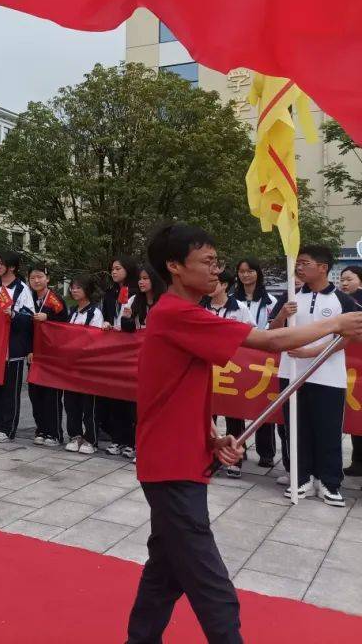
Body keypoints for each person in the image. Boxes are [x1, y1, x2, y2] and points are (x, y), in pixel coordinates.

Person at [125, 223, 362, 644]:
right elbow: (271, 341)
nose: (217, 270)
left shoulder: (181, 314)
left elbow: (176, 394)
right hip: (170, 467)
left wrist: (211, 438)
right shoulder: (178, 313)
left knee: (166, 568)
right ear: (175, 266)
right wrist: (337, 322)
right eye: (207, 262)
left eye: (218, 262)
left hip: (178, 459)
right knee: (209, 581)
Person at [268, 245, 356, 507]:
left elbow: (350, 336)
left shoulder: (342, 300)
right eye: (299, 263)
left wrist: (313, 352)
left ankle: (329, 482)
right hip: (291, 373)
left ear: (323, 268)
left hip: (327, 377)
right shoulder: (291, 296)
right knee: (296, 428)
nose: (299, 267)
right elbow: (271, 331)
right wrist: (283, 314)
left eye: (305, 263)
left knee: (327, 430)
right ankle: (301, 477)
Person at [200, 270, 255, 478]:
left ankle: (235, 459)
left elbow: (252, 335)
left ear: (225, 286)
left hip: (232, 368)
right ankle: (209, 454)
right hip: (207, 368)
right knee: (207, 412)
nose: (210, 286)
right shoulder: (201, 307)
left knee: (233, 414)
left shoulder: (239, 308)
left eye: (214, 283)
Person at [0, 253, 35, 444]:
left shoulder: (21, 289)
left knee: (10, 391)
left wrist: (14, 314)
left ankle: (8, 429)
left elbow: (28, 318)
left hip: (12, 349)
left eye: (2, 263)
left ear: (12, 267)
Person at [232, 258, 278, 468]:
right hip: (238, 358)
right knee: (235, 405)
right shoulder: (232, 299)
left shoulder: (271, 301)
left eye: (250, 271)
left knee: (262, 404)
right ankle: (237, 448)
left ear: (258, 273)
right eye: (242, 271)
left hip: (262, 358)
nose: (245, 275)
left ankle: (266, 452)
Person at [102, 256, 141, 459]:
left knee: (130, 400)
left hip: (132, 349)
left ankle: (131, 441)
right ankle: (117, 439)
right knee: (114, 396)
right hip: (114, 348)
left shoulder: (137, 293)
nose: (114, 272)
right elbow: (107, 315)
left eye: (118, 268)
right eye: (112, 269)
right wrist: (107, 323)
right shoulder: (110, 293)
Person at [27, 264, 69, 445]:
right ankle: (41, 429)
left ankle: (54, 433)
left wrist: (49, 318)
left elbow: (65, 326)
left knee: (51, 395)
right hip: (34, 355)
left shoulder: (55, 300)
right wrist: (28, 350)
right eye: (32, 278)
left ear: (47, 279)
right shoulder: (28, 299)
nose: (36, 281)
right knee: (35, 394)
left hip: (52, 356)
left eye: (40, 277)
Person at [64, 277, 104, 455]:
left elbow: (95, 338)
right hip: (71, 365)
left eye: (78, 287)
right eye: (72, 287)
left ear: (87, 290)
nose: (74, 290)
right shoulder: (72, 312)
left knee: (89, 404)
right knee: (71, 402)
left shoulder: (94, 313)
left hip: (88, 366)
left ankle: (91, 438)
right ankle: (75, 435)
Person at [340, 264, 362, 478]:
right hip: (348, 369)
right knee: (355, 416)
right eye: (342, 279)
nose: (345, 283)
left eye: (349, 279)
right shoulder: (340, 302)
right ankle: (357, 461)